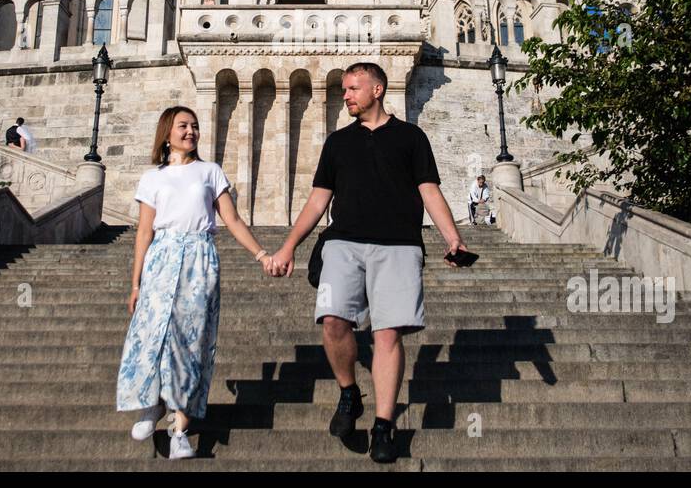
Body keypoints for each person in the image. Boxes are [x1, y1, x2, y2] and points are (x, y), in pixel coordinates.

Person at [267, 62, 466, 463]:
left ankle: (384, 424)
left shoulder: (411, 137)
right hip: (343, 242)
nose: (347, 95)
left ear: (378, 89)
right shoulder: (338, 143)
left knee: (388, 335)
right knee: (333, 320)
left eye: (354, 88)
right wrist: (288, 246)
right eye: (345, 89)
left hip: (399, 245)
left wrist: (453, 238)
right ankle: (348, 391)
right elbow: (318, 200)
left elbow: (429, 191)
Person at [116, 105, 268, 459]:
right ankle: (150, 406)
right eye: (183, 126)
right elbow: (143, 232)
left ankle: (180, 430)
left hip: (200, 257)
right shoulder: (152, 178)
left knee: (191, 341)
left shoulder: (210, 172)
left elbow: (231, 219)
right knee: (152, 334)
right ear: (167, 132)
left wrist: (261, 255)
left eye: (195, 127)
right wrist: (136, 283)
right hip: (162, 258)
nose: (191, 132)